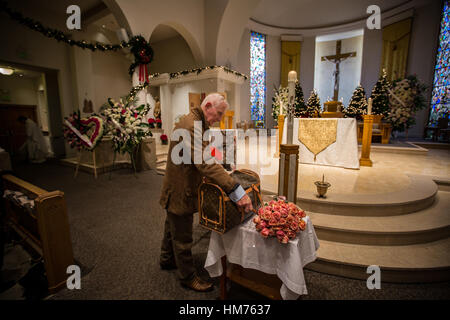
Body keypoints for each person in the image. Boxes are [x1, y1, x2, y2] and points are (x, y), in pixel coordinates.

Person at [159, 93, 253, 292]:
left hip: (179, 183)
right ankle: (188, 277)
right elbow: (204, 162)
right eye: (218, 113)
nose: (219, 118)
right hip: (180, 186)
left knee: (172, 224)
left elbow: (203, 153)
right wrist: (235, 188)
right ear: (208, 105)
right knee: (182, 234)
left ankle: (167, 259)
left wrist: (223, 164)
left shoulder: (197, 122)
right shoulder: (192, 125)